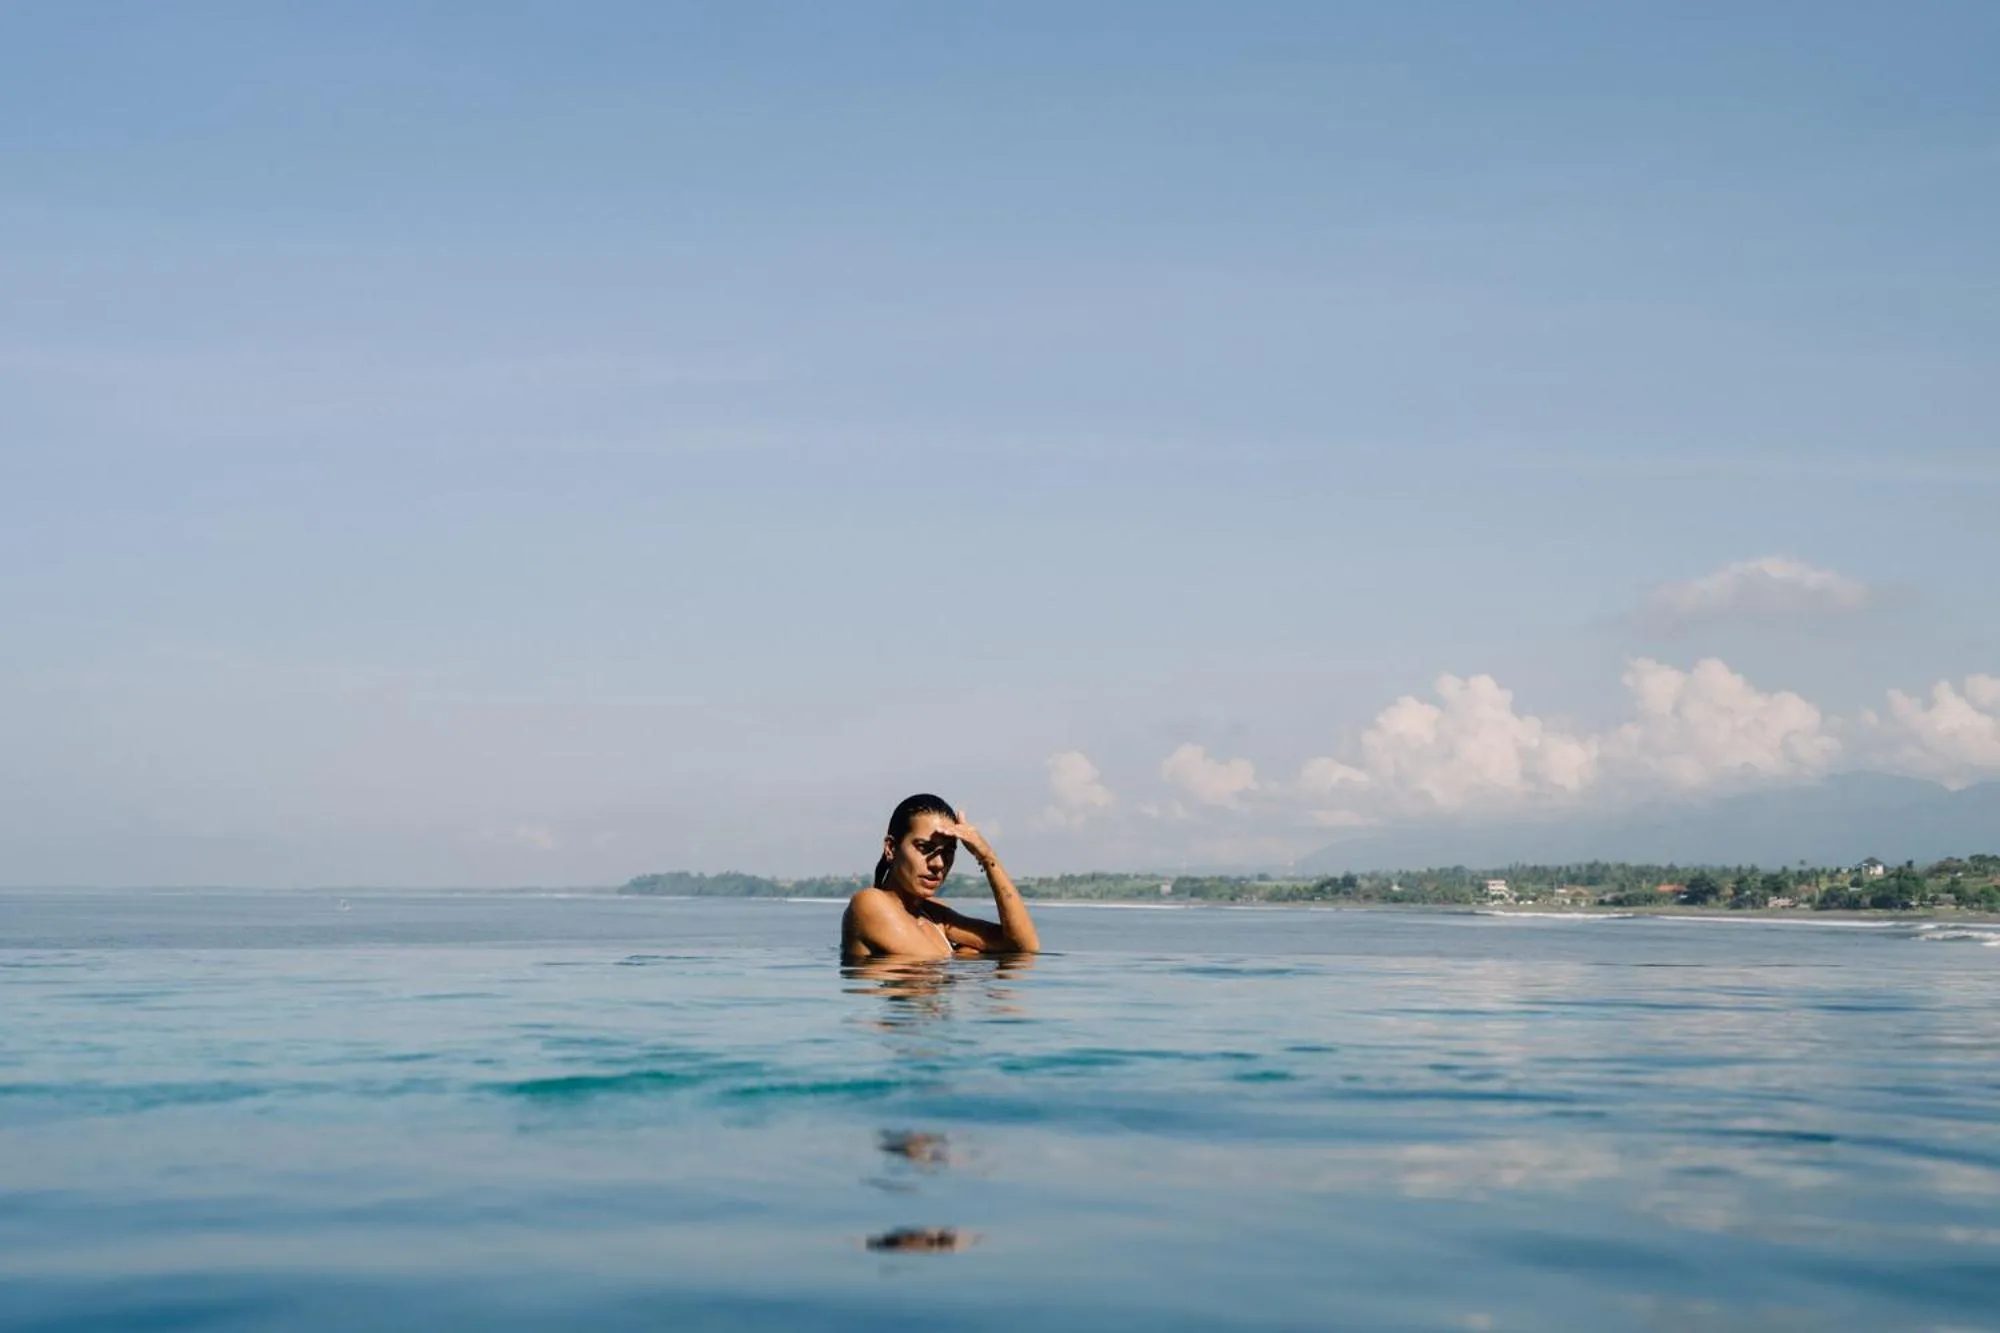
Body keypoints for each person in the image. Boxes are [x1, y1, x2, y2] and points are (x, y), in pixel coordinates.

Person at [840, 793, 1040, 960]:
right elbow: (930, 969)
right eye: (924, 848)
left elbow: (1024, 947)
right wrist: (966, 954)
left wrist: (987, 857)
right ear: (891, 848)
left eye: (947, 852)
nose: (938, 864)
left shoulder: (936, 916)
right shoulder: (869, 903)